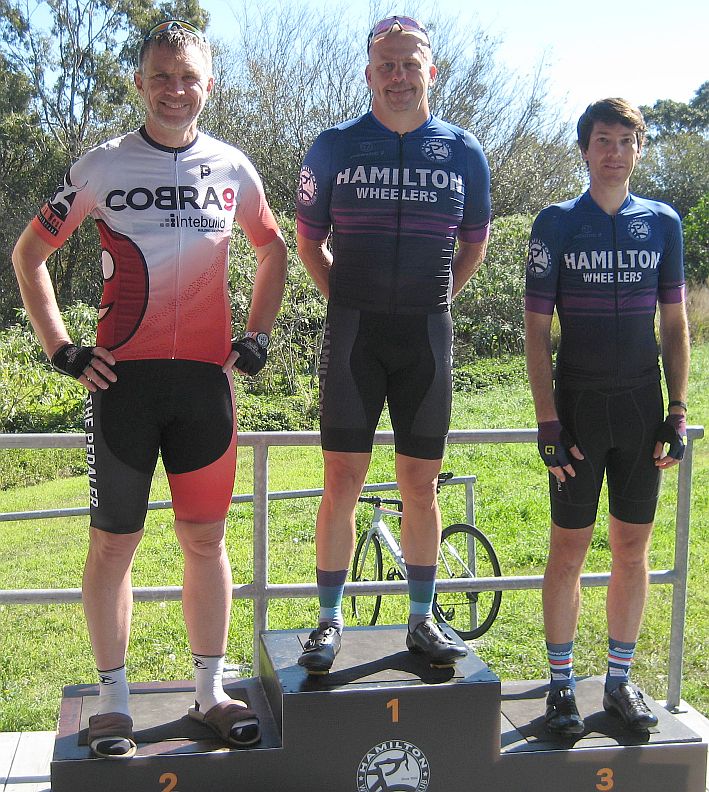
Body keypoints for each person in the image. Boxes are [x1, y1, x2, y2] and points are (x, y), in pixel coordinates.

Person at [12, 20, 287, 757]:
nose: (174, 90)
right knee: (113, 544)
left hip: (204, 387)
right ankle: (113, 704)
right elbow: (30, 253)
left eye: (188, 77)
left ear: (209, 85)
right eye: (161, 76)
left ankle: (210, 693)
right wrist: (62, 349)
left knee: (205, 539)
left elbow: (273, 250)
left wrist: (256, 336)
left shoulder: (233, 168)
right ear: (139, 82)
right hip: (123, 387)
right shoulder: (101, 166)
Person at [295, 16, 491, 674]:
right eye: (387, 65)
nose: (399, 76)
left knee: (420, 485)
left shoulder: (463, 151)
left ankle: (420, 618)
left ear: (430, 71)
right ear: (368, 74)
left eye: (410, 64)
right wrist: (349, 298)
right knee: (340, 481)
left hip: (425, 337)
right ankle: (328, 619)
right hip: (355, 334)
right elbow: (307, 242)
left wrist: (434, 298)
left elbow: (473, 246)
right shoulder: (334, 145)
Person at [525, 98, 690, 735]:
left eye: (626, 141)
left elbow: (674, 325)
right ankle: (561, 687)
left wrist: (678, 411)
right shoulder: (557, 223)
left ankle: (619, 682)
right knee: (567, 549)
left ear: (639, 149)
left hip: (642, 409)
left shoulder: (664, 223)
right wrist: (547, 423)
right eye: (602, 140)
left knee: (631, 548)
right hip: (578, 410)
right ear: (584, 150)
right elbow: (536, 331)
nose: (614, 152)